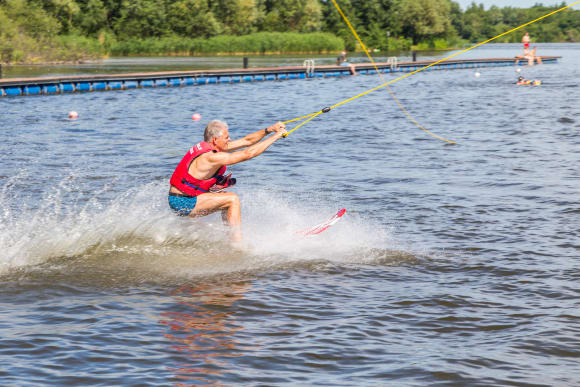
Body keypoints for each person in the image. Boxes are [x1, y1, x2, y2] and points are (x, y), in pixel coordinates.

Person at [168, 119, 287, 246]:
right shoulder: (211, 157)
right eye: (226, 137)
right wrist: (276, 136)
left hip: (185, 197)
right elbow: (248, 154)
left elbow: (247, 141)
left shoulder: (210, 146)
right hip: (182, 202)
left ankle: (230, 238)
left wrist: (269, 130)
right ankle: (237, 245)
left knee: (226, 199)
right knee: (232, 199)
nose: (229, 139)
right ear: (214, 139)